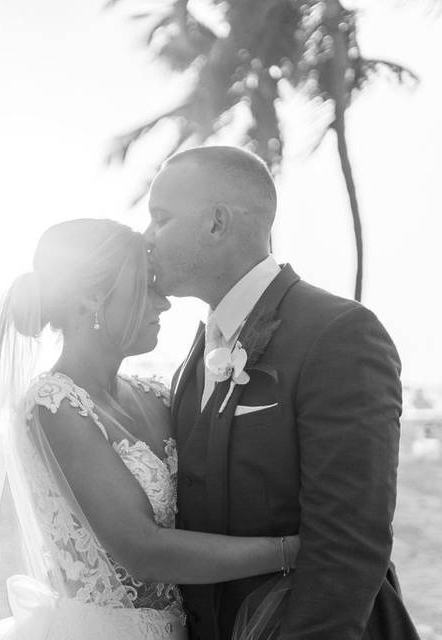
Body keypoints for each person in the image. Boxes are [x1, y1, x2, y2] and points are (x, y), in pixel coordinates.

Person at [0, 218, 299, 640]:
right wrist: (291, 551)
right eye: (146, 285)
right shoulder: (54, 407)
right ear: (92, 299)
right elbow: (142, 551)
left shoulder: (159, 395)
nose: (164, 302)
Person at [144, 145, 419, 640]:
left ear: (216, 223)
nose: (147, 238)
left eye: (160, 218)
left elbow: (348, 542)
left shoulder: (338, 333)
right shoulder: (198, 349)